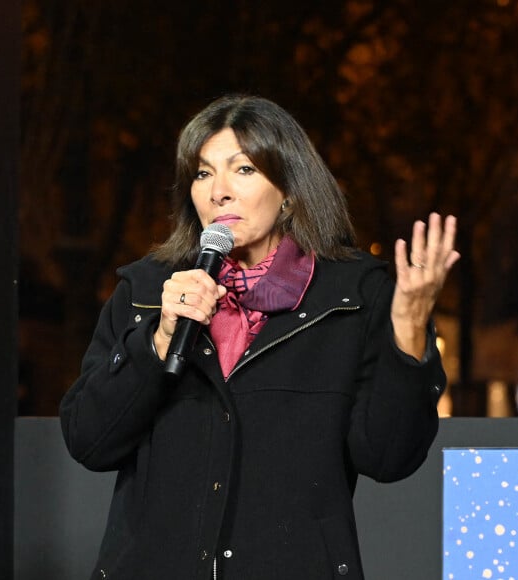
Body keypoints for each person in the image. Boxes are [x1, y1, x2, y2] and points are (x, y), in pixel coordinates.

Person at [60, 95, 460, 580]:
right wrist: (158, 339)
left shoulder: (355, 297)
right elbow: (88, 439)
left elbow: (389, 456)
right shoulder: (148, 292)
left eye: (243, 170)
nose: (218, 192)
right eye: (203, 173)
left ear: (289, 189)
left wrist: (410, 327)